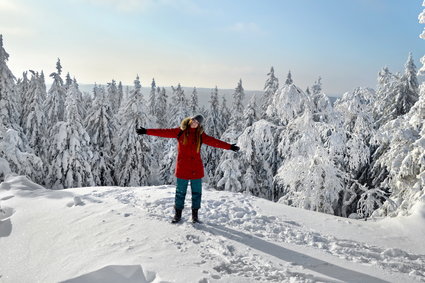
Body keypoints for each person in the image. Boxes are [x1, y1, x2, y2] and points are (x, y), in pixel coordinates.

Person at [136, 114, 240, 223]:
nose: (195, 123)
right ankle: (177, 215)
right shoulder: (180, 131)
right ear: (190, 120)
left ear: (199, 125)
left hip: (196, 169)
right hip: (182, 168)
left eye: (197, 122)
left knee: (197, 193)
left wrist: (230, 147)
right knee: (180, 192)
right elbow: (164, 132)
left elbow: (214, 142)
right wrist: (147, 131)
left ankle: (195, 216)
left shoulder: (200, 135)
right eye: (194, 121)